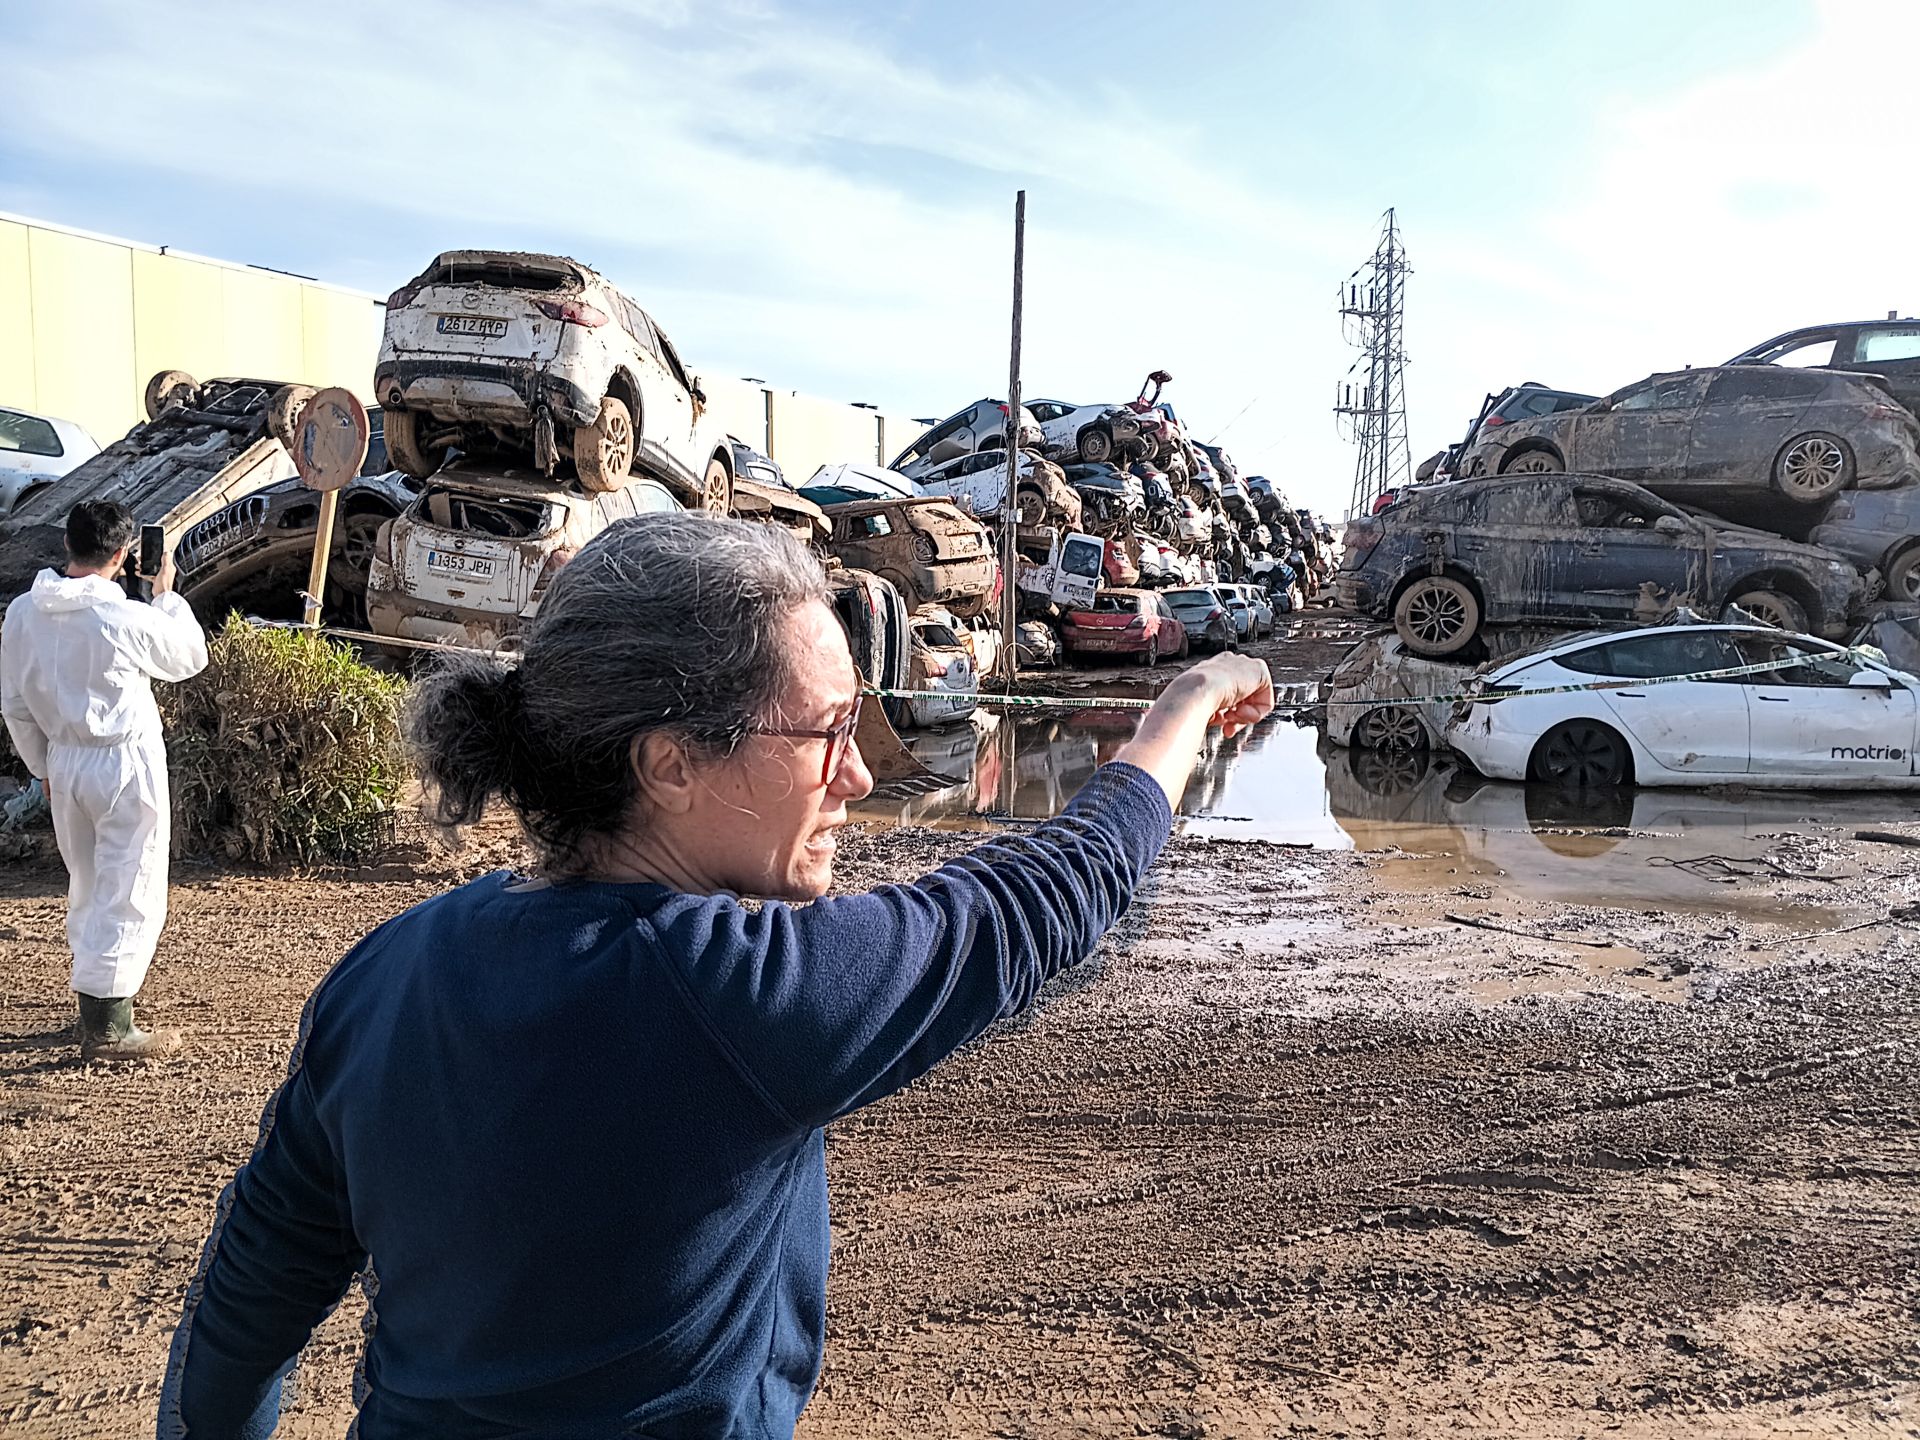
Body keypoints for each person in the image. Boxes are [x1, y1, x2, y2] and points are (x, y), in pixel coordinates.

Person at [158, 512, 1272, 1439]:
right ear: (671, 761)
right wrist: (1177, 718)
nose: (858, 774)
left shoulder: (385, 970)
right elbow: (1047, 896)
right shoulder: (741, 998)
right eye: (827, 731)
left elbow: (253, 1292)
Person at [1, 500, 207, 1061]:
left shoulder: (23, 612)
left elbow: (15, 705)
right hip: (124, 760)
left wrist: (41, 766)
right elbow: (189, 655)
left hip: (64, 762)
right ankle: (110, 1024)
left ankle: (94, 1006)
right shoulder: (122, 617)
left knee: (88, 883)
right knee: (131, 884)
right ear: (121, 555)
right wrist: (165, 593)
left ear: (67, 545)